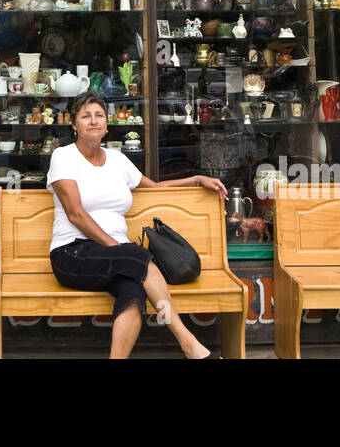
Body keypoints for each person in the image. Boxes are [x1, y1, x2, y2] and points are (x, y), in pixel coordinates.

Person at [47, 91, 229, 359]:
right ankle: (189, 344)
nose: (94, 121)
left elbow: (154, 187)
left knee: (133, 292)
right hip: (72, 254)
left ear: (107, 124)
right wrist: (118, 249)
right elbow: (76, 214)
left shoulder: (118, 161)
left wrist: (196, 179)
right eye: (86, 116)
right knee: (137, 257)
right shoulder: (63, 157)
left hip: (115, 257)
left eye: (99, 115)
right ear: (74, 124)